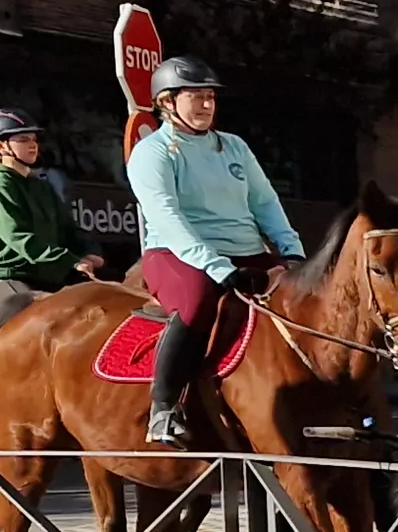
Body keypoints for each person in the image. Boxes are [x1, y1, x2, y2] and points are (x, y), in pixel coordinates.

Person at [123, 58, 303, 448]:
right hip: (176, 254)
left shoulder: (234, 146)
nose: (207, 104)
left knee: (302, 298)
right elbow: (166, 216)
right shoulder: (152, 152)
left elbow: (265, 202)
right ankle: (164, 409)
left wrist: (292, 252)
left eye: (210, 97)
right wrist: (216, 267)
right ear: (167, 102)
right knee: (199, 301)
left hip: (247, 251)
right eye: (196, 97)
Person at [0, 109, 103, 328]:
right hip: (7, 276)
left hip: (49, 276)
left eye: (34, 139)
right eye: (23, 140)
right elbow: (17, 237)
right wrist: (71, 261)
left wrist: (90, 252)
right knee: (38, 324)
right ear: (0, 147)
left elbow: (69, 229)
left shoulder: (42, 186)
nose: (33, 145)